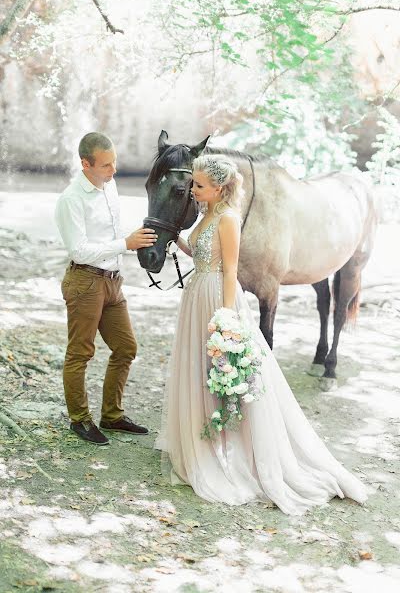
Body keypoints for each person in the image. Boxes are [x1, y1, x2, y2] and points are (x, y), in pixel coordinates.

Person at [155, 154, 368, 515]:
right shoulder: (206, 215)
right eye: (193, 183)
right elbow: (202, 255)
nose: (193, 189)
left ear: (219, 188)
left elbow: (229, 270)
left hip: (217, 299)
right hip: (196, 294)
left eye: (200, 185)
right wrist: (178, 240)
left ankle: (232, 447)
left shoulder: (227, 219)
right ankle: (201, 440)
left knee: (223, 368)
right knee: (198, 368)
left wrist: (225, 316)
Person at [55, 132, 157, 445]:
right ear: (85, 164)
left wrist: (135, 240)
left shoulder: (108, 187)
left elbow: (107, 237)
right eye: (106, 165)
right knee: (80, 353)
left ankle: (111, 416)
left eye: (115, 163)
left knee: (126, 348)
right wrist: (125, 244)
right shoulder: (71, 199)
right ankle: (79, 419)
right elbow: (80, 250)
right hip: (85, 281)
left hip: (113, 281)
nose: (113, 171)